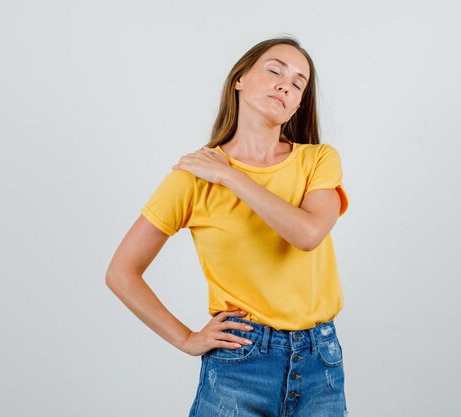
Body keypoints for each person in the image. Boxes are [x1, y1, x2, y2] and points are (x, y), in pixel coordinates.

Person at [105, 36, 349, 417]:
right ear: (240, 78)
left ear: (299, 103)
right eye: (275, 70)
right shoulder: (192, 178)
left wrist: (230, 176)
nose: (286, 84)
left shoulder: (318, 161)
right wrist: (187, 338)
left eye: (299, 82)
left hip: (321, 363)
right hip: (240, 364)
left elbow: (308, 234)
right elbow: (121, 272)